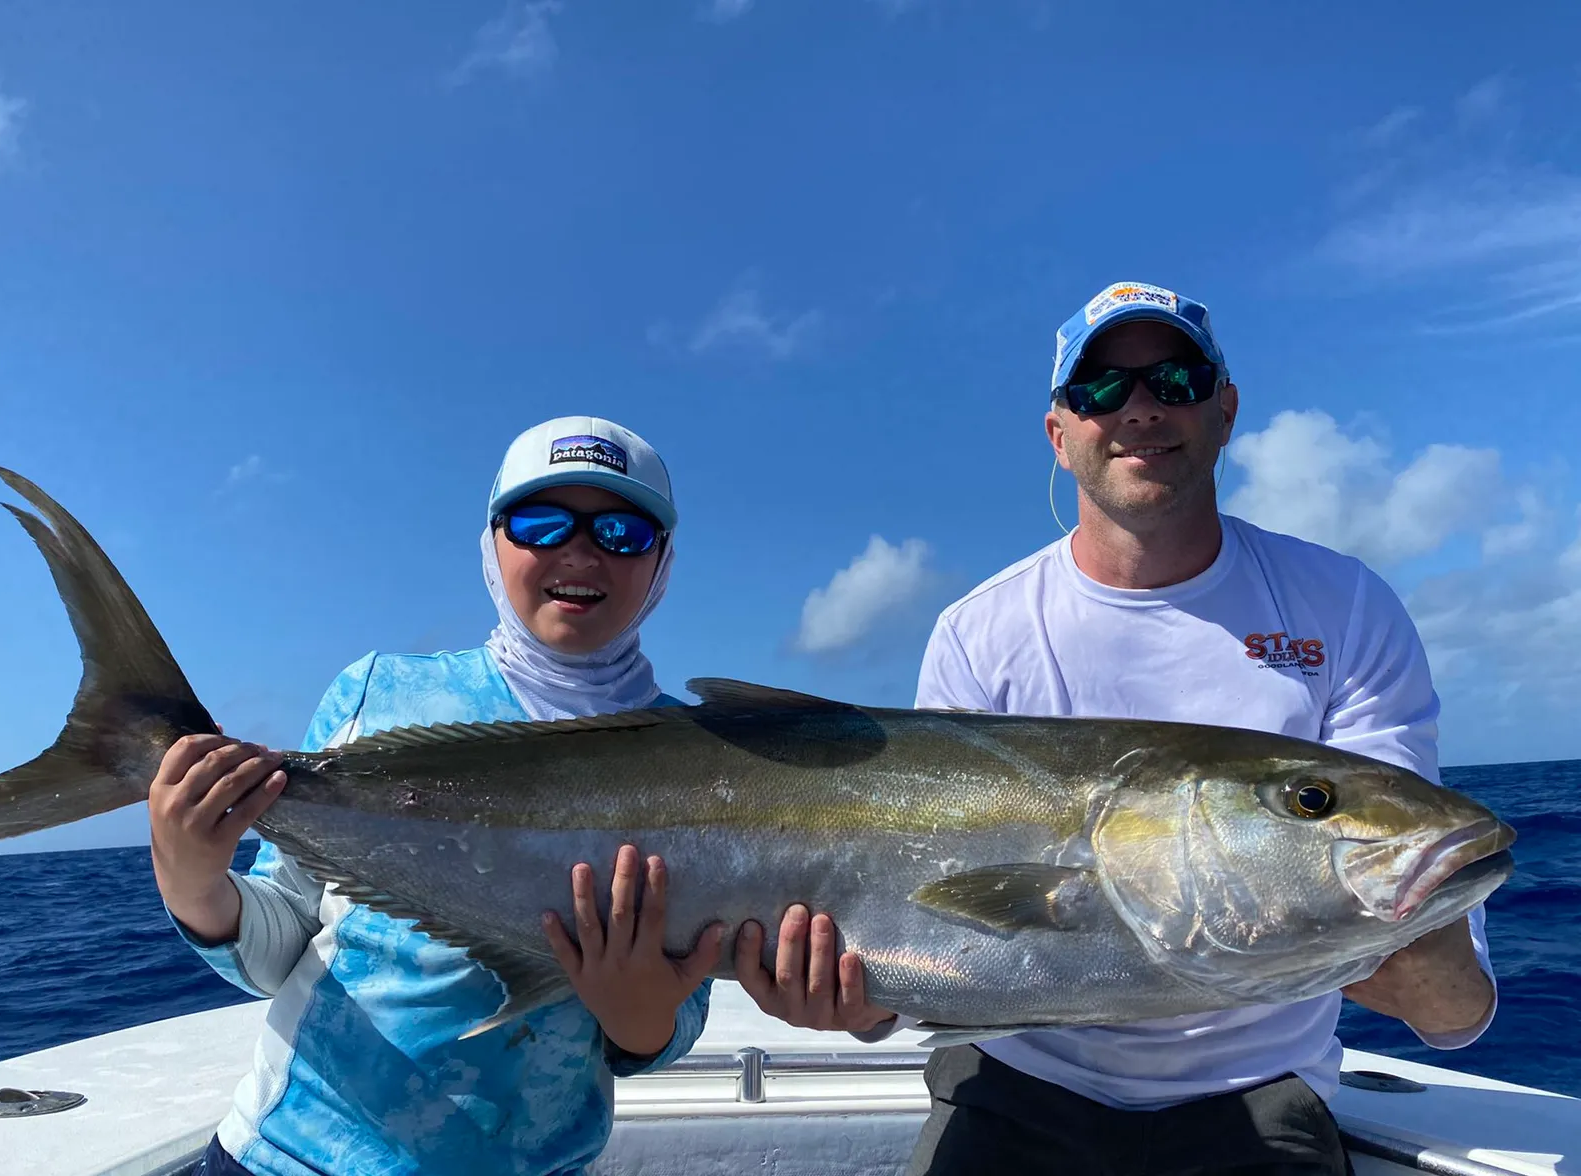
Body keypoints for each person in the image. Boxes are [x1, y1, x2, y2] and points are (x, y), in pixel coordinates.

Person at [748, 281, 1500, 1175]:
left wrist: (1410, 934)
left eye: (1173, 381)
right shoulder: (979, 633)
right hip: (1012, 1079)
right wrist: (851, 997)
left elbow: (1452, 1009)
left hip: (1258, 1095)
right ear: (1059, 435)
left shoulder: (1344, 610)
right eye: (1101, 390)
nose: (1140, 409)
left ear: (1225, 409)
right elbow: (926, 925)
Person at [148, 415, 722, 1176]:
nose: (580, 551)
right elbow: (282, 940)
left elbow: (678, 1013)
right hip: (288, 1158)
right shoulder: (379, 692)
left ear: (664, 560)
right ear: (492, 543)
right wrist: (192, 880)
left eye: (622, 530)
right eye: (540, 522)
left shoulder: (711, 758)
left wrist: (640, 1018)